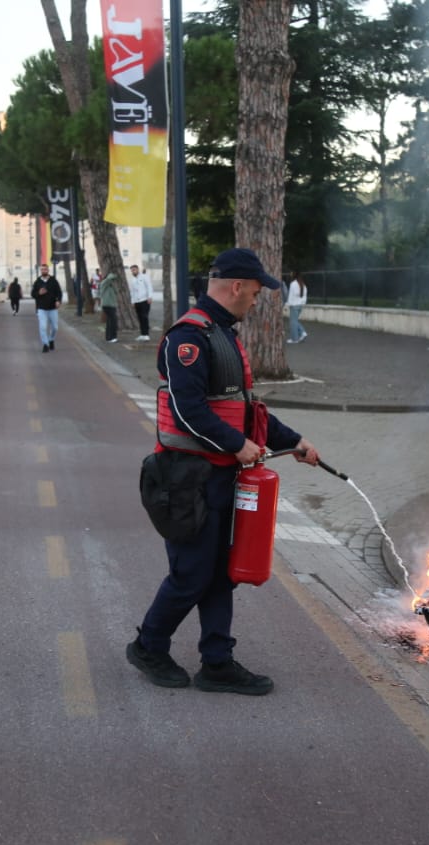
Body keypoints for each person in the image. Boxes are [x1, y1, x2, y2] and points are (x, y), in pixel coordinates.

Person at [126, 247, 321, 696]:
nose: (256, 301)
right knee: (191, 574)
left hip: (215, 477)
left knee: (219, 574)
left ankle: (217, 662)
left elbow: (245, 411)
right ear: (236, 286)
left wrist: (292, 441)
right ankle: (148, 645)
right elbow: (189, 410)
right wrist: (237, 446)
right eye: (254, 293)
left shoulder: (222, 334)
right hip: (186, 480)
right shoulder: (189, 339)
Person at [31, 263, 62, 352]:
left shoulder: (53, 280)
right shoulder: (37, 282)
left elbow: (59, 292)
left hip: (52, 308)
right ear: (40, 271)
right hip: (41, 308)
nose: (44, 271)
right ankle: (45, 344)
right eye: (42, 269)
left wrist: (58, 301)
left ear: (48, 270)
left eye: (45, 269)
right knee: (43, 327)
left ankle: (51, 339)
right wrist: (39, 293)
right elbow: (33, 294)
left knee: (55, 327)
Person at [128, 263, 153, 340]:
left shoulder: (144, 277)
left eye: (134, 270)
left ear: (137, 270)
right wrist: (132, 301)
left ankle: (146, 335)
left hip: (145, 300)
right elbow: (132, 292)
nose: (133, 271)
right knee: (139, 318)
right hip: (137, 302)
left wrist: (150, 297)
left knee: (144, 317)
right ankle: (142, 334)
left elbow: (149, 287)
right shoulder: (132, 280)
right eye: (132, 270)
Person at [285, 271, 308, 343]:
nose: (290, 274)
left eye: (291, 273)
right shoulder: (303, 285)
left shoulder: (293, 284)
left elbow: (290, 295)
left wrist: (287, 304)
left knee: (293, 322)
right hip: (300, 305)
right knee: (295, 321)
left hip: (294, 305)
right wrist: (302, 303)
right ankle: (302, 332)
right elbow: (304, 296)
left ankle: (295, 339)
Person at [98, 268, 120, 343]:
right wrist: (114, 275)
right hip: (107, 305)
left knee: (110, 321)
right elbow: (110, 278)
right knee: (113, 321)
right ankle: (113, 337)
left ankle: (108, 337)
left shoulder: (110, 285)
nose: (113, 281)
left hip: (111, 305)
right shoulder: (104, 283)